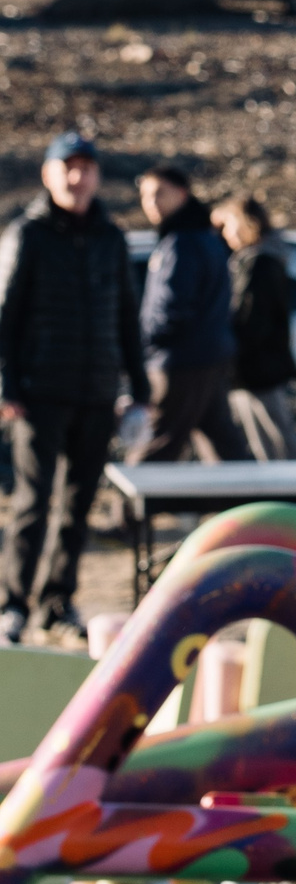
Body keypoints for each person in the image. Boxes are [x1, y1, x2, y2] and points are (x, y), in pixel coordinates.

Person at [0, 133, 144, 643]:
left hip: (98, 391)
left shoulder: (111, 236)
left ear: (97, 176)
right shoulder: (29, 235)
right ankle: (14, 603)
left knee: (78, 505)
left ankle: (57, 601)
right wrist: (7, 385)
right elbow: (5, 317)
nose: (77, 178)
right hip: (40, 393)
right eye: (68, 168)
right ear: (49, 174)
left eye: (86, 168)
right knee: (32, 503)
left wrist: (139, 388)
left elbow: (128, 316)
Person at [133, 164, 248, 463]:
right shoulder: (204, 237)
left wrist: (144, 344)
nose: (151, 203)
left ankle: (125, 510)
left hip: (181, 361)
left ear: (182, 193)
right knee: (225, 447)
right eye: (145, 195)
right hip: (209, 356)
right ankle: (242, 505)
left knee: (159, 445)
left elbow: (171, 308)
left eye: (159, 193)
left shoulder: (182, 242)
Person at [213, 195, 296, 460]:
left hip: (258, 369)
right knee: (266, 442)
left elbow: (252, 320)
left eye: (230, 225)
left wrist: (231, 347)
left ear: (245, 224)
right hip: (253, 368)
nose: (225, 233)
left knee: (278, 441)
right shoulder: (253, 260)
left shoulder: (259, 263)